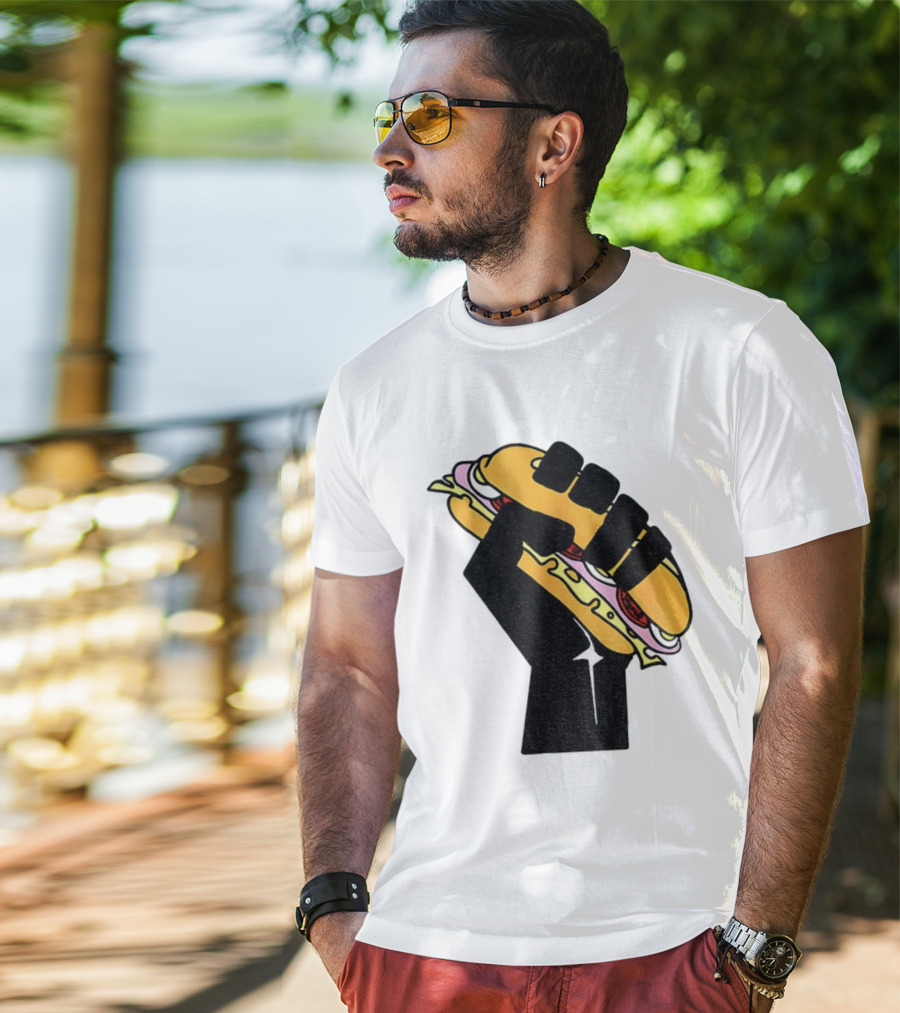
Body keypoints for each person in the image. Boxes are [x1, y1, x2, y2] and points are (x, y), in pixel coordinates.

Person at [295, 2, 870, 1011]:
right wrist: (334, 906)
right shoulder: (374, 386)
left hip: (670, 945)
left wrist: (757, 948)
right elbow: (346, 662)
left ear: (553, 145)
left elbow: (813, 659)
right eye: (388, 116)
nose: (389, 147)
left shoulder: (741, 348)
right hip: (428, 951)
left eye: (430, 116)